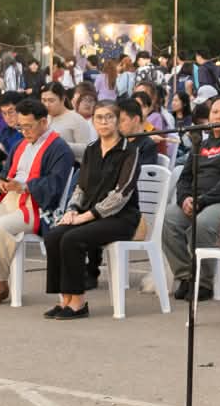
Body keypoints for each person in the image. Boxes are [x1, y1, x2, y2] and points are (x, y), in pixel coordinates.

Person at [0, 97, 76, 304]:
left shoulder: (59, 148)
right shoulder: (20, 144)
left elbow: (55, 185)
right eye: (21, 127)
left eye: (29, 126)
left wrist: (26, 186)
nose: (24, 131)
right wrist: (1, 182)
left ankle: (0, 284)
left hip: (36, 206)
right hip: (10, 199)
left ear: (43, 122)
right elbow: (5, 171)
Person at [42, 101, 153, 319]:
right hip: (90, 215)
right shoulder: (92, 150)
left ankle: (78, 303)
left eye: (109, 117)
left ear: (117, 121)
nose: (104, 122)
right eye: (99, 117)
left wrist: (86, 216)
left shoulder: (130, 151)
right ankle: (65, 299)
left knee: (72, 238)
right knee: (54, 236)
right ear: (93, 121)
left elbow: (121, 195)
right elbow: (81, 187)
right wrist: (72, 209)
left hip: (121, 218)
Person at [159, 95, 220, 301]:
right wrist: (184, 199)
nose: (218, 117)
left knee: (203, 223)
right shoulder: (202, 143)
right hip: (197, 201)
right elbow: (185, 177)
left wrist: (203, 200)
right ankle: (186, 276)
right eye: (215, 112)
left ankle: (203, 282)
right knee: (169, 219)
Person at [41, 81, 96, 156]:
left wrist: (60, 144)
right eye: (44, 100)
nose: (47, 104)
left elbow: (87, 149)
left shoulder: (76, 119)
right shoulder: (43, 117)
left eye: (51, 100)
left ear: (62, 99)